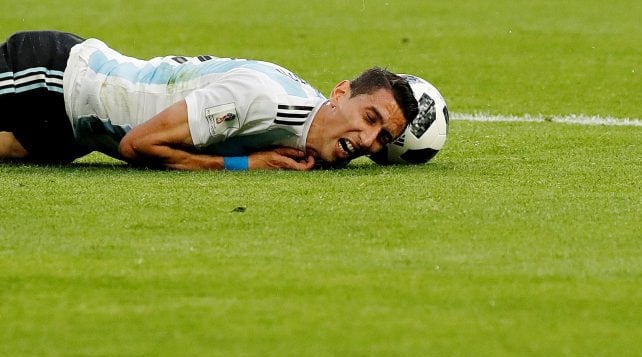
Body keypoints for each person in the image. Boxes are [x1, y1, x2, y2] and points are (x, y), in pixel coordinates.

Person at [0, 30, 419, 170]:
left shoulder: (309, 126)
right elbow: (138, 145)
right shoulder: (262, 100)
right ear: (340, 93)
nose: (368, 140)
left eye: (383, 137)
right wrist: (244, 165)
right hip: (57, 77)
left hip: (74, 132)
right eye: (370, 117)